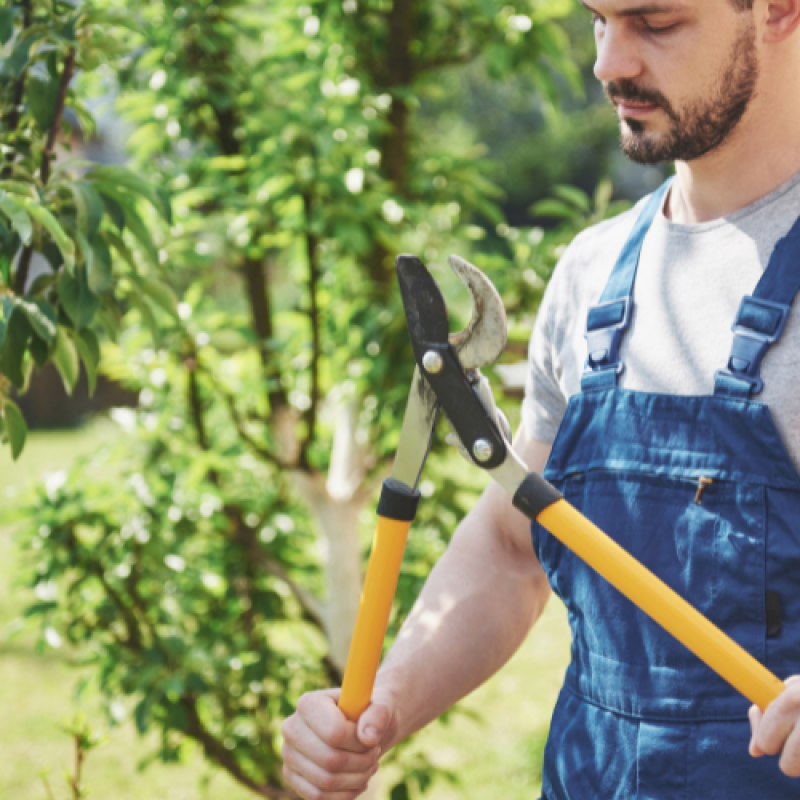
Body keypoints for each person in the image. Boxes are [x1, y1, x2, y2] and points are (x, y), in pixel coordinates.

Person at [280, 1, 800, 797]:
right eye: (599, 20)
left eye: (654, 23)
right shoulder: (594, 275)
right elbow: (512, 543)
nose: (609, 62)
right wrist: (384, 703)